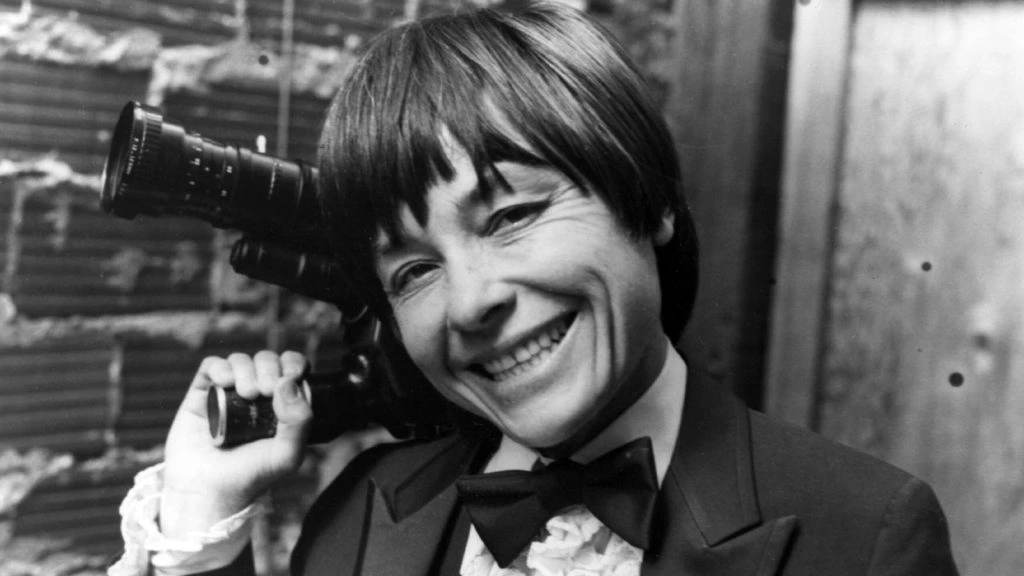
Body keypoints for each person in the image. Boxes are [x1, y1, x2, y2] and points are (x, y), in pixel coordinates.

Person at [110, 3, 960, 575]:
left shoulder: (866, 536)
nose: (471, 301)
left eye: (512, 216)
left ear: (650, 201)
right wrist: (201, 513)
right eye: (413, 270)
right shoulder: (363, 512)